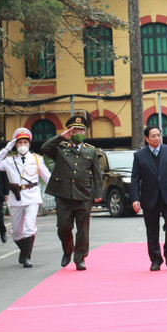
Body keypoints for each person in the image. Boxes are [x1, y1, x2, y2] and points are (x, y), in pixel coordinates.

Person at [43, 115, 103, 271]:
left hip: (83, 195)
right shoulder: (61, 147)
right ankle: (68, 249)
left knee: (83, 229)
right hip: (63, 195)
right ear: (69, 131)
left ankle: (80, 258)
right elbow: (44, 148)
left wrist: (99, 193)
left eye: (81, 130)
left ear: (85, 132)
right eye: (75, 129)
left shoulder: (90, 150)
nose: (78, 132)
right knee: (64, 227)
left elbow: (97, 173)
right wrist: (62, 136)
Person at [0, 128, 52, 268]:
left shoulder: (37, 159)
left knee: (29, 227)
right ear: (15, 145)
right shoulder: (9, 160)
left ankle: (27, 257)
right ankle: (24, 251)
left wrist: (60, 192)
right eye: (19, 143)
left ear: (29, 144)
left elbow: (47, 177)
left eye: (25, 142)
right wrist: (7, 147)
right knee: (17, 232)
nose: (22, 145)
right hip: (16, 197)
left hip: (32, 196)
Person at [131, 126, 167, 271]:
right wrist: (135, 198)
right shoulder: (139, 156)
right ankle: (156, 260)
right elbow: (135, 179)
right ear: (146, 138)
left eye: (158, 135)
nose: (156, 138)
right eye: (153, 136)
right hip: (149, 198)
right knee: (152, 231)